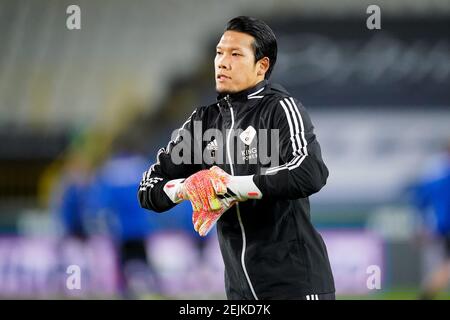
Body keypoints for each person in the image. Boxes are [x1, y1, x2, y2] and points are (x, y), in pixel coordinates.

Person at [138, 16, 335, 300]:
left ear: (262, 65)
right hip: (239, 291)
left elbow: (310, 172)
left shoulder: (280, 108)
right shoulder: (204, 122)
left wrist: (230, 188)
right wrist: (186, 188)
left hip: (296, 286)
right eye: (219, 53)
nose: (222, 62)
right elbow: (148, 187)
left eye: (235, 54)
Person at [410, 142, 450, 300]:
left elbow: (420, 200)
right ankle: (427, 292)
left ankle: (427, 291)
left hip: (441, 227)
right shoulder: (442, 178)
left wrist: (422, 224)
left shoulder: (435, 177)